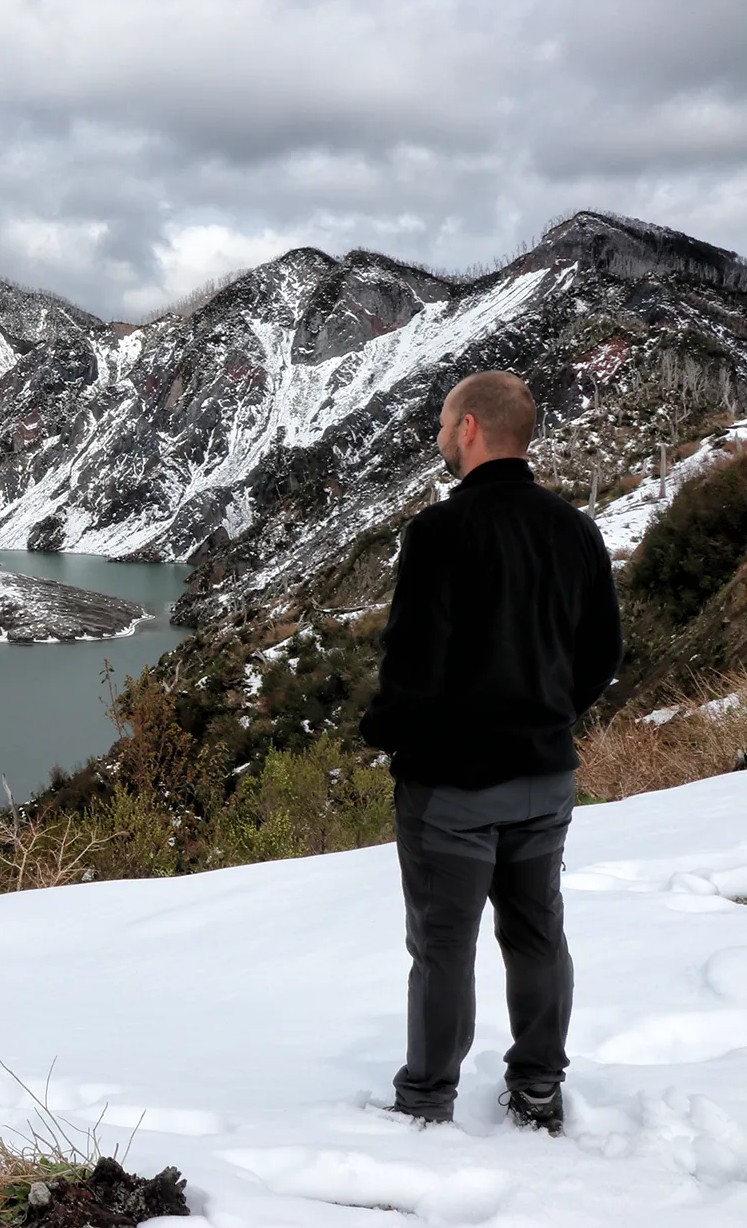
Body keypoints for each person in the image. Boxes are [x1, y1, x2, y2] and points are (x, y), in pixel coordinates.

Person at [359, 370, 622, 1134]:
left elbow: (413, 665)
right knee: (538, 931)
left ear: (470, 427)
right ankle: (539, 1086)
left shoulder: (440, 533)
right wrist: (549, 713)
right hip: (545, 776)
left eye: (444, 425)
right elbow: (602, 649)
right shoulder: (576, 528)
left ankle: (427, 1097)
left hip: (454, 787)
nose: (439, 438)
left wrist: (384, 729)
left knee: (443, 943)